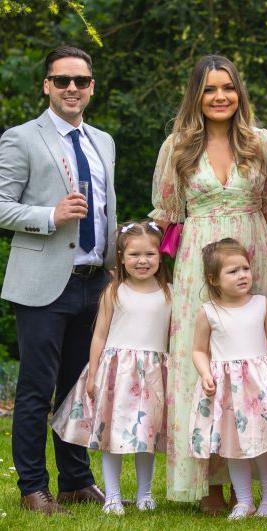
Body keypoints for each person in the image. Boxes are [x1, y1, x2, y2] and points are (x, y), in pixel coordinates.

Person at [150, 54, 267, 509]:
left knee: (253, 366)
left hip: (255, 257)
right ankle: (211, 483)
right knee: (202, 369)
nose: (220, 96)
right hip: (196, 269)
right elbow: (165, 216)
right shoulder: (177, 146)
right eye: (209, 89)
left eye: (227, 87)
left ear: (239, 92)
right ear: (196, 96)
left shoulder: (261, 142)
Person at [0, 45, 117, 514]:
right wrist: (49, 214)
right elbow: (2, 204)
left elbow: (106, 209)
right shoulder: (20, 138)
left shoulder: (103, 141)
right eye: (62, 80)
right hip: (45, 282)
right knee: (36, 389)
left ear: (91, 87)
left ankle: (74, 480)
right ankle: (32, 488)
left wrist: (116, 269)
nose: (72, 88)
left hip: (94, 281)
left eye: (81, 81)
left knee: (78, 388)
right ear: (46, 85)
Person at [51, 221, 171, 515]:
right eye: (134, 255)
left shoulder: (170, 292)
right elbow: (100, 335)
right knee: (110, 436)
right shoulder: (113, 291)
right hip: (117, 373)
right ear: (121, 257)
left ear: (160, 256)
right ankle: (113, 496)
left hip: (154, 373)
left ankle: (145, 493)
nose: (142, 261)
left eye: (149, 255)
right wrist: (93, 374)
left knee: (147, 438)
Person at [189, 238, 267, 520]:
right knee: (233, 447)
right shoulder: (208, 311)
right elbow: (199, 350)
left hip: (259, 386)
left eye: (245, 269)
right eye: (233, 271)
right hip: (228, 389)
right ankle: (244, 501)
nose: (242, 275)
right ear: (213, 279)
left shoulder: (260, 303)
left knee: (263, 443)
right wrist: (205, 373)